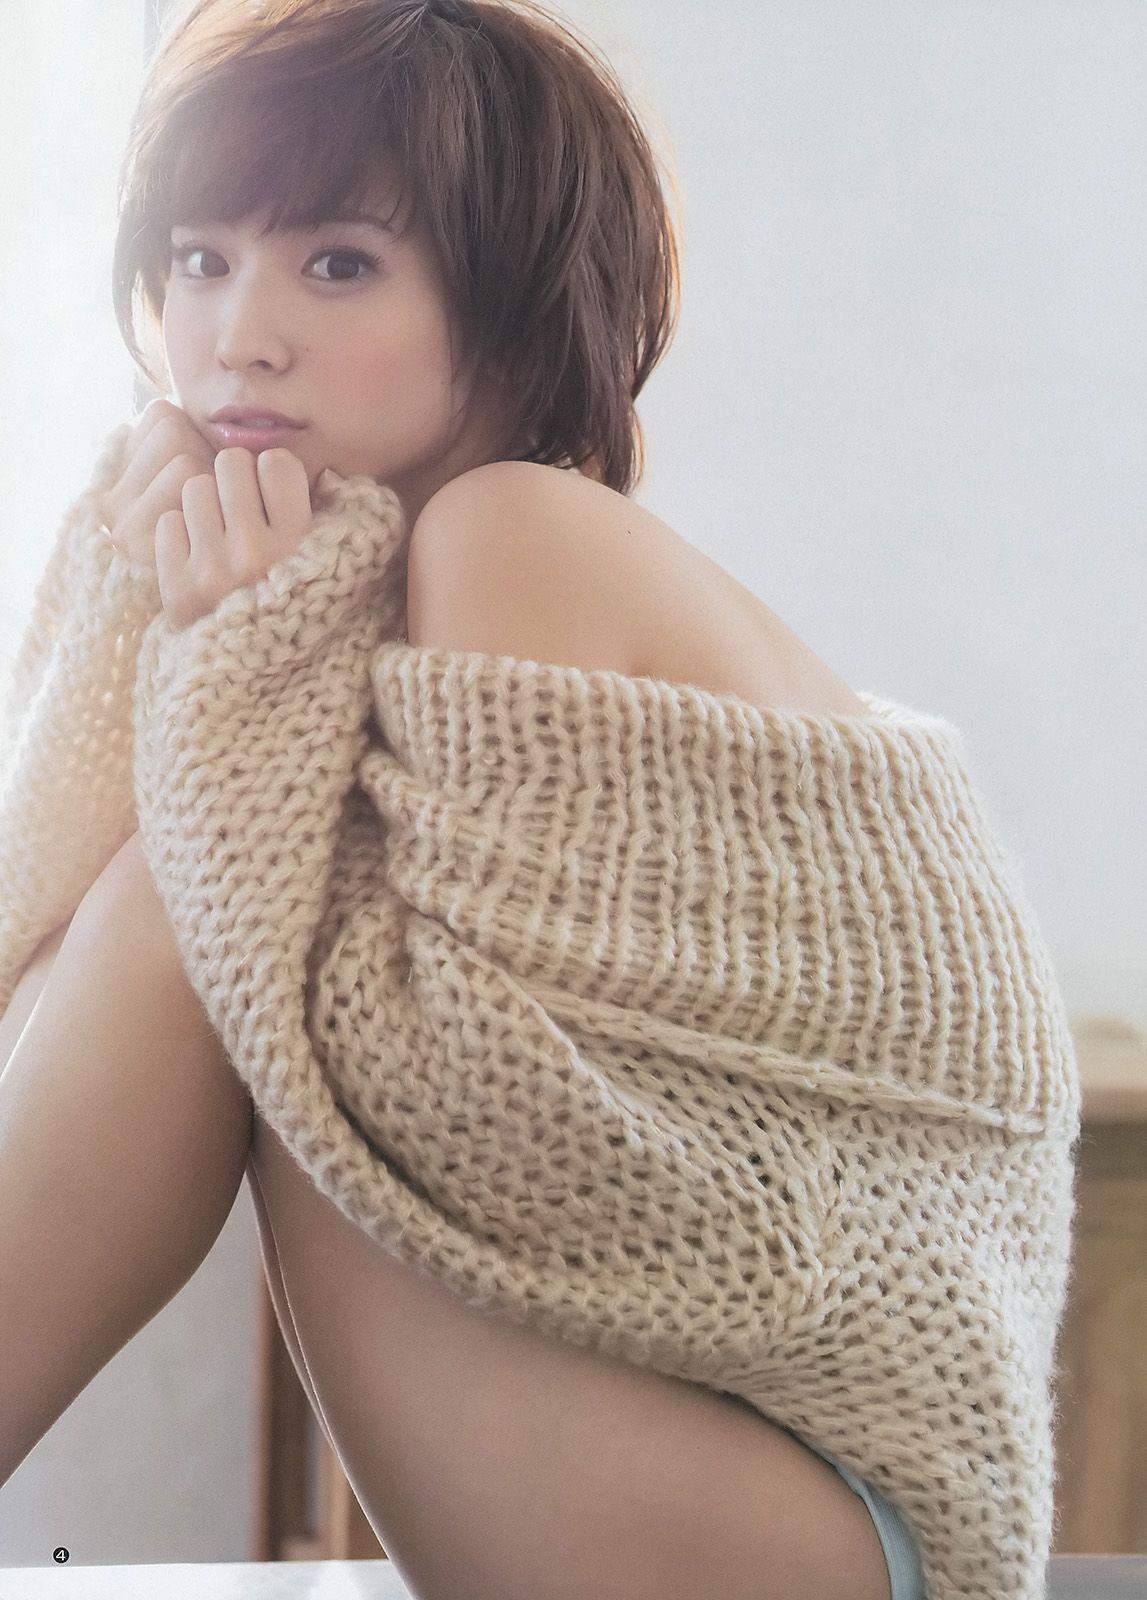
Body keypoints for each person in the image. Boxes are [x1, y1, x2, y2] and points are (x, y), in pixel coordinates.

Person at [0, 7, 1079, 1600]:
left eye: (338, 262)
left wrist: (238, 655)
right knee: (200, 907)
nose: (238, 334)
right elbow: (54, 952)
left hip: (832, 1520)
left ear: (514, 315)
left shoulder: (516, 531)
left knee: (207, 911)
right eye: (199, 259)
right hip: (677, 1457)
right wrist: (179, 611)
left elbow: (477, 1113)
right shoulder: (391, 571)